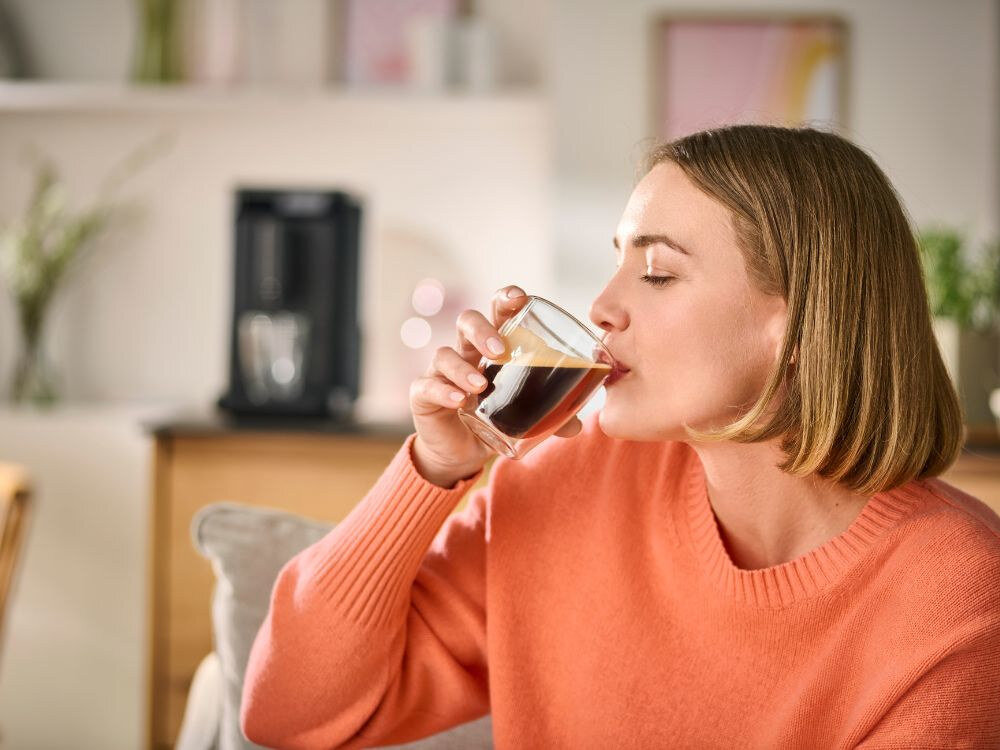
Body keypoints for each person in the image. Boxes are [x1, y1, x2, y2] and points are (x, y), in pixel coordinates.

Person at [239, 125, 1000, 749]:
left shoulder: (955, 597)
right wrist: (434, 467)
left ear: (800, 323)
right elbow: (288, 712)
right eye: (616, 262)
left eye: (658, 273)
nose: (601, 305)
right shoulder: (564, 481)